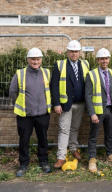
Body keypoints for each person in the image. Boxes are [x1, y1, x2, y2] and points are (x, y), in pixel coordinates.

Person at [9, 47, 51, 177]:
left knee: (43, 140)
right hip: (25, 115)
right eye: (33, 59)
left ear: (41, 60)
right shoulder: (20, 74)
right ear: (28, 59)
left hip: (43, 114)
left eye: (38, 59)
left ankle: (43, 161)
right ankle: (23, 164)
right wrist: (22, 105)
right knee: (24, 140)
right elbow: (12, 92)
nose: (35, 61)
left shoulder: (47, 73)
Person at [51, 40, 90, 169]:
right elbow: (54, 86)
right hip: (65, 104)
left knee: (75, 128)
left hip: (80, 103)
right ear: (67, 52)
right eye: (72, 51)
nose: (74, 54)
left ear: (80, 53)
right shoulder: (59, 65)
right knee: (64, 129)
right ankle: (61, 156)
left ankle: (73, 148)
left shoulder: (85, 64)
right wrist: (56, 104)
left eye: (76, 51)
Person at [85, 48, 112, 172]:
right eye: (102, 59)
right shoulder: (91, 74)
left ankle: (110, 154)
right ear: (98, 60)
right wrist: (92, 113)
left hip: (110, 109)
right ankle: (92, 158)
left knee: (109, 134)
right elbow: (88, 95)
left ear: (109, 60)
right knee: (93, 136)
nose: (104, 61)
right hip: (98, 111)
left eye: (106, 58)